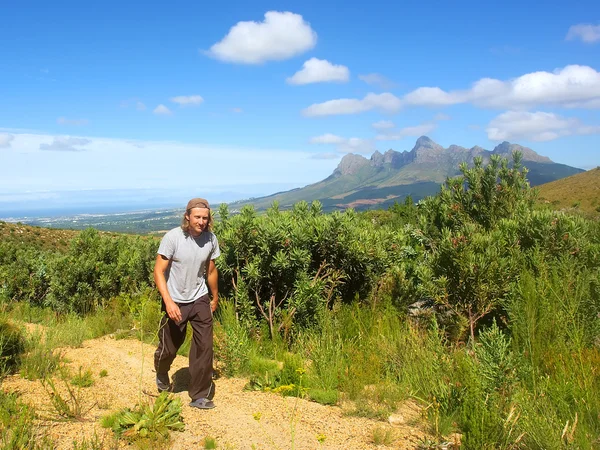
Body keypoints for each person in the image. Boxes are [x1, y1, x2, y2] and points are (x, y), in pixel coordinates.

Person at [153, 198, 220, 409]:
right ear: (187, 217)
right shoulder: (173, 238)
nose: (201, 221)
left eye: (205, 218)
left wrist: (214, 295)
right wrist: (168, 301)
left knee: (204, 347)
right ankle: (162, 371)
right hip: (175, 300)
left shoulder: (210, 239)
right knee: (169, 347)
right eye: (197, 217)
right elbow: (158, 271)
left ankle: (199, 395)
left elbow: (210, 269)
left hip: (199, 297)